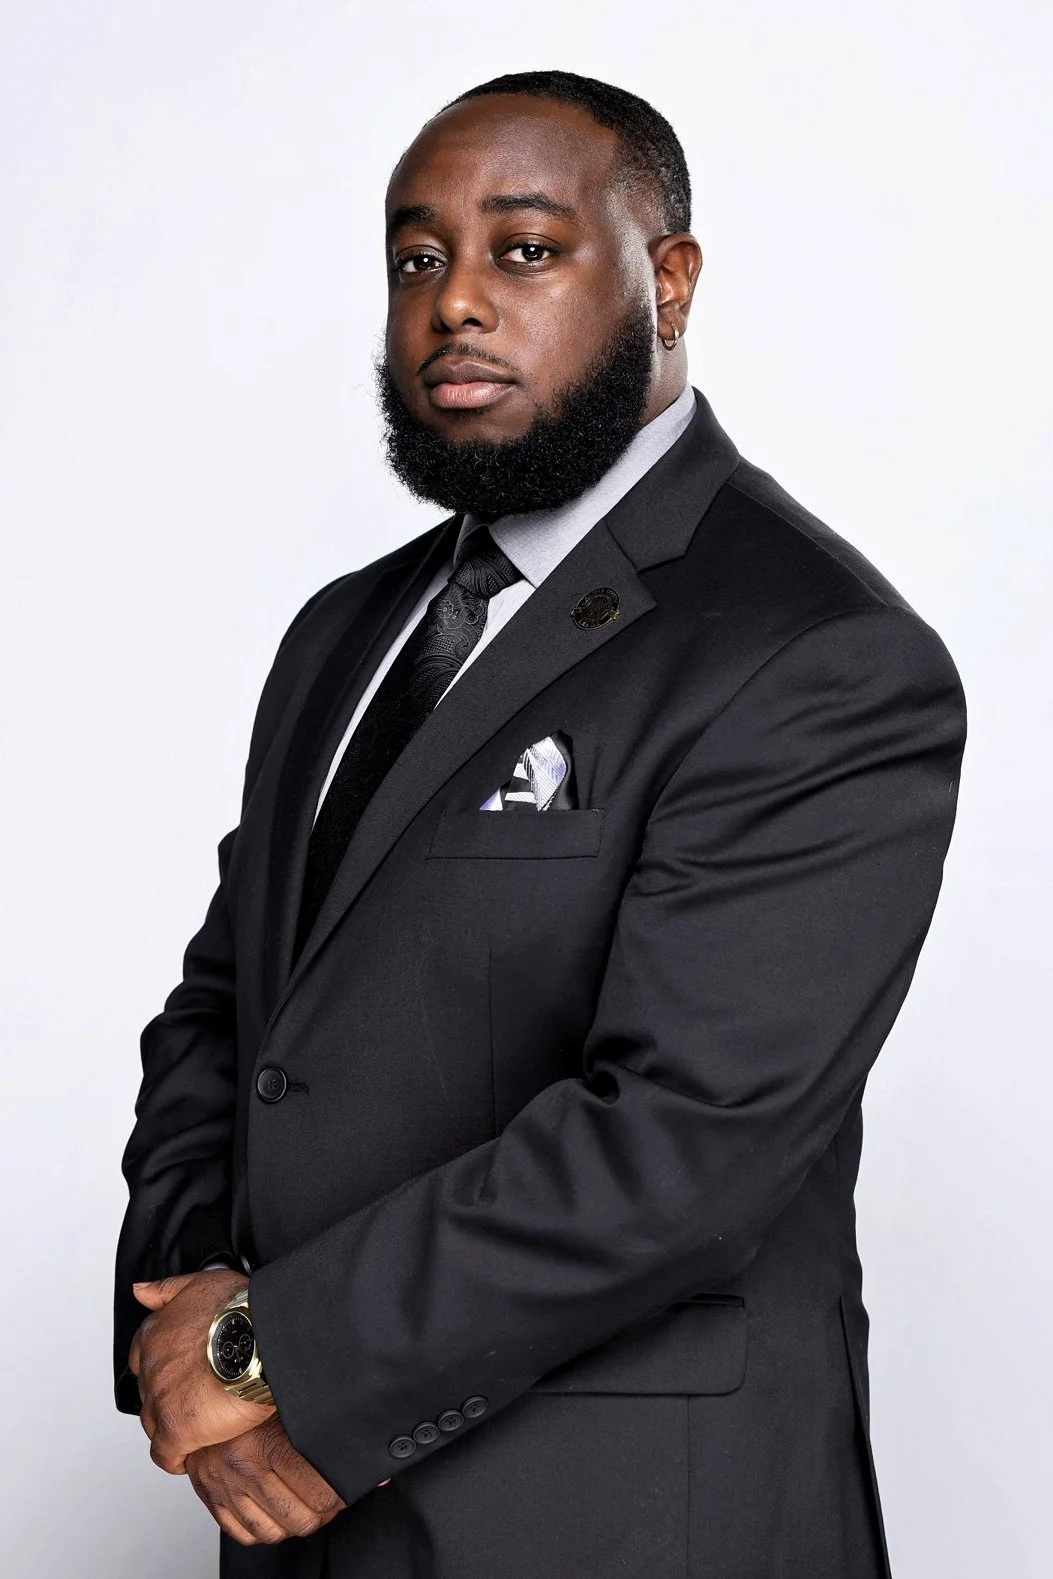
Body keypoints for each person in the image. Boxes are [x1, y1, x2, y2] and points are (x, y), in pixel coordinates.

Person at [114, 70, 967, 1579]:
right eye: (416, 257)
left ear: (670, 280)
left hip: (621, 1517)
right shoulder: (346, 632)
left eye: (523, 250)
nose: (453, 304)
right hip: (295, 1511)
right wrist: (190, 1321)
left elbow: (681, 1144)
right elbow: (230, 1011)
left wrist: (261, 1349)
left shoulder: (814, 651)